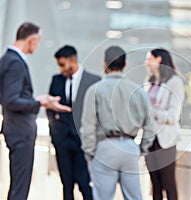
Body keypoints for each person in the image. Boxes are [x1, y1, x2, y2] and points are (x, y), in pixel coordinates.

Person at [0, 22, 71, 200]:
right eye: (38, 41)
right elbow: (11, 100)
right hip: (20, 131)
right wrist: (39, 102)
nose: (38, 45)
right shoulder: (15, 63)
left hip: (16, 129)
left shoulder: (8, 60)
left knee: (19, 185)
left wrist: (40, 102)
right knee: (20, 187)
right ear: (31, 40)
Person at [80, 46, 155, 200]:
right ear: (125, 64)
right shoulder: (139, 91)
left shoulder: (94, 90)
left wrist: (90, 154)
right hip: (130, 147)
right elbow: (150, 127)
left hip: (105, 147)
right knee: (135, 197)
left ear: (104, 64)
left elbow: (88, 127)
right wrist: (141, 149)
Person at [46, 45, 100, 200]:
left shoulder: (93, 80)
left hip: (84, 143)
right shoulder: (56, 80)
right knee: (66, 186)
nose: (60, 68)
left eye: (63, 64)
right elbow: (50, 108)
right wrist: (55, 135)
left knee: (85, 185)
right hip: (62, 142)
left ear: (73, 60)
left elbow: (99, 112)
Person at [144, 48, 185, 200]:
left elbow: (173, 116)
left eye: (149, 58)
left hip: (165, 141)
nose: (146, 62)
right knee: (154, 185)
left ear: (159, 59)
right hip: (149, 140)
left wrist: (150, 111)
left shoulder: (175, 82)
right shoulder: (149, 82)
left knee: (168, 183)